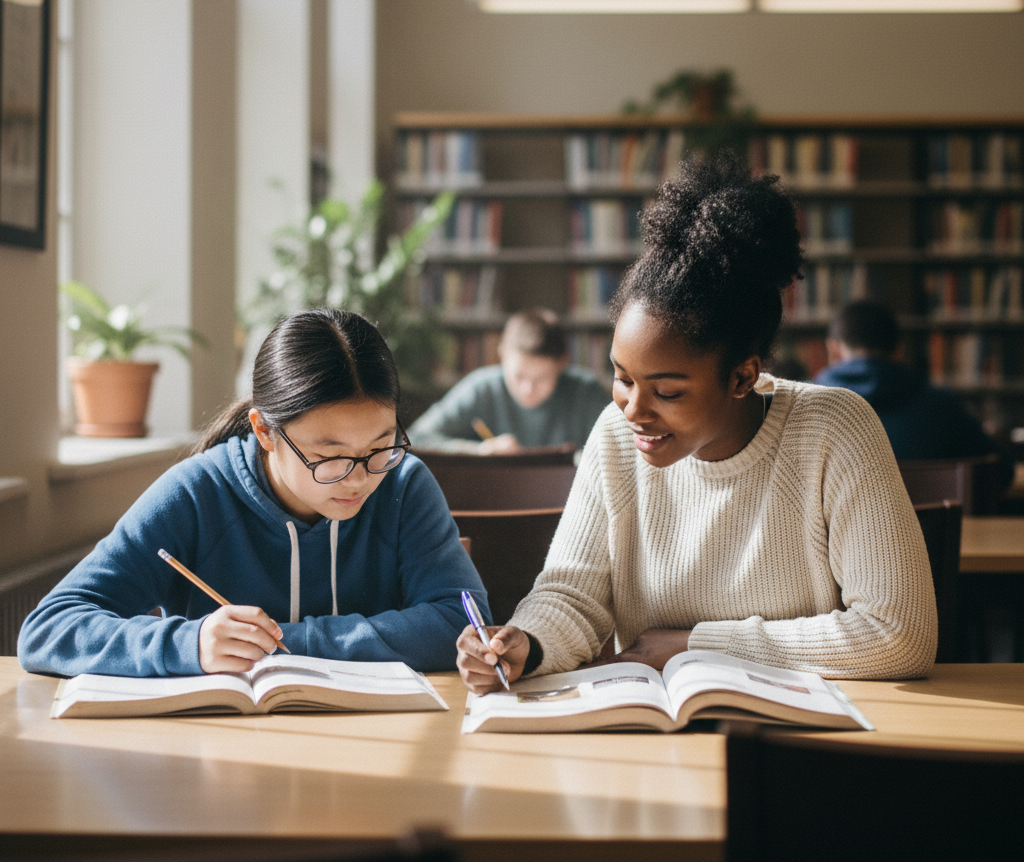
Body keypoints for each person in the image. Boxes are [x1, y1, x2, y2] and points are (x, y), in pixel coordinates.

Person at [456, 151, 938, 692]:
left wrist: (696, 644)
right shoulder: (616, 437)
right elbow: (573, 595)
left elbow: (899, 634)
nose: (633, 409)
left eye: (666, 391)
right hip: (654, 737)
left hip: (802, 742)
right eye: (622, 377)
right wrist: (528, 642)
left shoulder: (833, 429)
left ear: (742, 378)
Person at [19, 309, 489, 678]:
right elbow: (48, 628)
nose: (358, 478)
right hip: (222, 758)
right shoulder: (196, 492)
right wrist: (190, 644)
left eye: (380, 446)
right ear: (265, 431)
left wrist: (285, 642)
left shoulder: (405, 483)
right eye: (330, 457)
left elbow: (462, 622)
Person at [815, 298, 1014, 473]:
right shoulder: (942, 405)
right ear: (899, 352)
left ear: (834, 351)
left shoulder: (804, 406)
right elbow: (1000, 471)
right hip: (925, 517)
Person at [408, 309, 609, 454]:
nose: (527, 389)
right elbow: (414, 439)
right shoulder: (482, 388)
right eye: (519, 376)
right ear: (502, 354)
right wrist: (479, 450)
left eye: (542, 378)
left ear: (562, 363)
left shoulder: (586, 392)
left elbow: (616, 452)